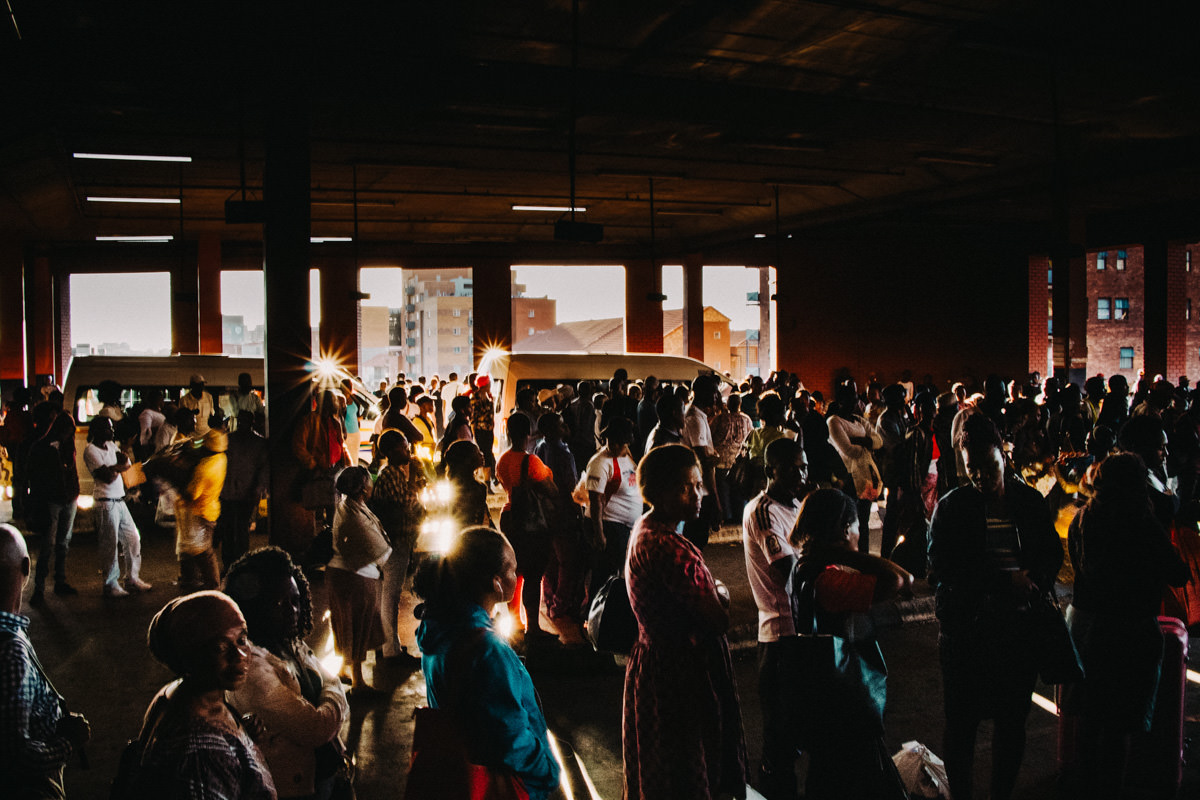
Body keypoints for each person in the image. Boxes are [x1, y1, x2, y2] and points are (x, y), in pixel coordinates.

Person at [927, 413, 1062, 800]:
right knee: (962, 725)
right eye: (973, 470)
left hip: (1018, 632)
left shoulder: (1028, 501)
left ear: (1003, 455)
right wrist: (1006, 581)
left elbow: (1051, 551)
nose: (981, 477)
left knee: (1012, 721)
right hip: (966, 634)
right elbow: (941, 569)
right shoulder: (952, 507)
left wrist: (1036, 580)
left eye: (988, 466)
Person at [1061, 453, 1189, 799]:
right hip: (1130, 631)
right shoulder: (1141, 524)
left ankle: (1086, 789)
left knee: (1089, 721)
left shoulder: (1083, 519)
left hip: (1086, 628)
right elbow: (1179, 572)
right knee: (1118, 727)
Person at [623, 444, 747, 799]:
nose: (699, 494)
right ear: (660, 492)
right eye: (687, 487)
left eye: (698, 485)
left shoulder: (645, 529)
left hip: (656, 663)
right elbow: (717, 619)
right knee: (688, 769)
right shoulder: (667, 547)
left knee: (663, 768)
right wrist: (718, 592)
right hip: (679, 672)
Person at [413, 526, 561, 799]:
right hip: (496, 785)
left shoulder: (438, 629)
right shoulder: (486, 650)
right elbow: (510, 739)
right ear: (496, 582)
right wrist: (548, 770)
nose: (516, 576)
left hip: (458, 774)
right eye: (512, 570)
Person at [787, 488, 912, 800]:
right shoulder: (828, 580)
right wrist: (844, 554)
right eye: (857, 526)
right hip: (843, 708)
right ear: (844, 530)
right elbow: (900, 580)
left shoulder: (805, 567)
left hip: (822, 702)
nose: (860, 533)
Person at [224, 548, 350, 799]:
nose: (293, 611)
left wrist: (329, 691)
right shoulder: (253, 671)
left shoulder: (287, 642)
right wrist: (336, 691)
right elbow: (315, 727)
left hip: (321, 776)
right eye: (278, 604)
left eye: (296, 600)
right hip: (293, 788)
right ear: (253, 609)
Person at [129, 591, 276, 798]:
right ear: (189, 654)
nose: (240, 656)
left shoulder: (178, 691)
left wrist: (241, 741)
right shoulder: (200, 755)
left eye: (242, 639)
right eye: (220, 647)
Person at [0, 523, 91, 797]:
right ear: (26, 568)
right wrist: (66, 743)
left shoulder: (11, 635)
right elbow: (15, 755)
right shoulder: (10, 651)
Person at [741, 437, 808, 800]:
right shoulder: (762, 511)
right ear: (771, 470)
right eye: (793, 467)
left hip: (800, 633)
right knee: (780, 743)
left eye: (805, 466)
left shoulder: (797, 506)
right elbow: (789, 571)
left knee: (801, 735)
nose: (802, 474)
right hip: (780, 636)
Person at [496, 413, 559, 642]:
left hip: (510, 517)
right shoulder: (531, 462)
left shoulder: (502, 460)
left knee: (515, 572)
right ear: (528, 433)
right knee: (533, 576)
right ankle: (533, 627)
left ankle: (515, 624)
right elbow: (551, 490)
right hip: (531, 522)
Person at [327, 467, 391, 692]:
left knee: (347, 626)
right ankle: (358, 682)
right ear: (363, 489)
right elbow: (378, 549)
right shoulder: (354, 516)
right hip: (354, 577)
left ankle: (344, 669)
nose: (372, 484)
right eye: (368, 481)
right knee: (357, 627)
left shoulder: (347, 506)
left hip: (343, 574)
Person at [369, 431, 425, 667]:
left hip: (393, 542)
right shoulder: (391, 475)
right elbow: (410, 506)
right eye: (404, 447)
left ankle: (387, 644)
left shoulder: (391, 474)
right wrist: (415, 486)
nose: (408, 451)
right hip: (395, 543)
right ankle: (390, 649)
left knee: (387, 596)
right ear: (391, 452)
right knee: (390, 597)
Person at [83, 416, 151, 597]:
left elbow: (125, 464)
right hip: (105, 502)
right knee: (109, 544)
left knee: (133, 538)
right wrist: (118, 467)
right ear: (97, 430)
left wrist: (116, 466)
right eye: (108, 428)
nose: (112, 432)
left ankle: (132, 578)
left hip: (119, 500)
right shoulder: (90, 451)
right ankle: (110, 583)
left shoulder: (111, 446)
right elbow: (108, 476)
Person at [534, 412, 586, 645]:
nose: (566, 426)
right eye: (562, 424)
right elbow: (570, 484)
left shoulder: (539, 446)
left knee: (551, 561)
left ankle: (549, 599)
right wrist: (578, 509)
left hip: (545, 512)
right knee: (568, 561)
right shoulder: (564, 452)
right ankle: (560, 605)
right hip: (563, 511)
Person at [582, 416, 641, 604]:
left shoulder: (628, 457)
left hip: (623, 527)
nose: (613, 446)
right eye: (610, 442)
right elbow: (595, 500)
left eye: (618, 443)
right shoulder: (600, 462)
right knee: (603, 573)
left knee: (616, 573)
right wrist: (599, 533)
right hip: (608, 525)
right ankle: (594, 613)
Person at [26, 413, 81, 603]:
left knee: (62, 543)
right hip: (53, 499)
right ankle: (39, 588)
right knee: (49, 544)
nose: (68, 435)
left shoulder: (66, 445)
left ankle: (58, 582)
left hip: (67, 498)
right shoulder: (42, 447)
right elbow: (36, 476)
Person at [826, 383, 882, 552]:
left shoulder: (859, 420)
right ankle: (849, 558)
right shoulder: (834, 421)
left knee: (863, 521)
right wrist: (867, 444)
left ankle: (863, 556)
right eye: (850, 400)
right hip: (848, 476)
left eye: (856, 399)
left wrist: (860, 441)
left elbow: (879, 441)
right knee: (848, 521)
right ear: (841, 401)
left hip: (865, 475)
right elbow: (849, 450)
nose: (855, 403)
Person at [177, 427, 228, 590]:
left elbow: (191, 494)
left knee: (203, 551)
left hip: (200, 512)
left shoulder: (205, 468)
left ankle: (212, 585)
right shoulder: (221, 458)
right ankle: (191, 579)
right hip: (211, 509)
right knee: (192, 548)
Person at [218, 411, 269, 572]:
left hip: (240, 492)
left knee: (238, 528)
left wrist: (259, 488)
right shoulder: (257, 442)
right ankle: (234, 563)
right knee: (233, 528)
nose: (242, 424)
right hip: (236, 491)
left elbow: (263, 470)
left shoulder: (231, 439)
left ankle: (237, 562)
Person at [681, 374, 723, 549]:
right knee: (696, 541)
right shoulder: (695, 418)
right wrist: (715, 499)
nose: (716, 397)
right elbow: (703, 461)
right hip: (701, 489)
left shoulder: (699, 415)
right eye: (714, 392)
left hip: (701, 487)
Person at [470, 375, 497, 488]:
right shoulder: (475, 398)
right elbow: (473, 419)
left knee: (488, 454)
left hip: (488, 430)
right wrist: (474, 434)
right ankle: (486, 482)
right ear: (485, 385)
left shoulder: (488, 396)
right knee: (485, 455)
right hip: (480, 430)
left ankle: (489, 481)